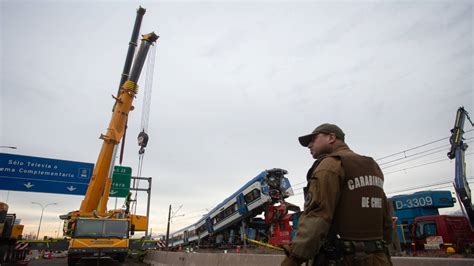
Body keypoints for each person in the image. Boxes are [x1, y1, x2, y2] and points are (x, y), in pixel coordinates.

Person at [282, 123, 393, 266]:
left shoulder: (330, 165)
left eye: (313, 139)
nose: (309, 145)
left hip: (343, 259)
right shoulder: (371, 165)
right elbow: (386, 217)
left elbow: (317, 217)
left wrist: (293, 259)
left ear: (331, 137)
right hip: (379, 258)